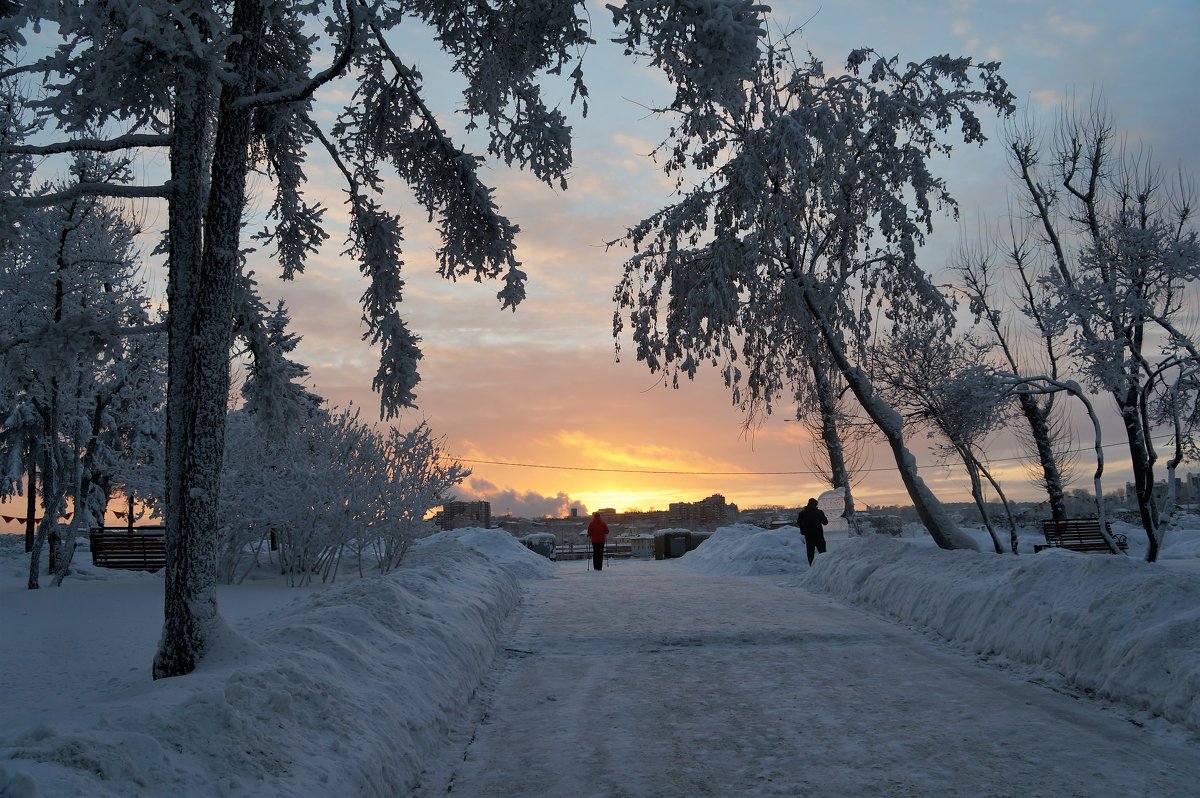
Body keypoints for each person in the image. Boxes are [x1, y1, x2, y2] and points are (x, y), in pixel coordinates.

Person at [796, 497, 828, 566]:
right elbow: (825, 522)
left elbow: (798, 523)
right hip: (819, 535)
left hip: (808, 536)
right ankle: (824, 566)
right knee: (823, 552)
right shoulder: (819, 512)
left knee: (810, 553)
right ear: (816, 504)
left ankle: (812, 568)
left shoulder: (802, 513)